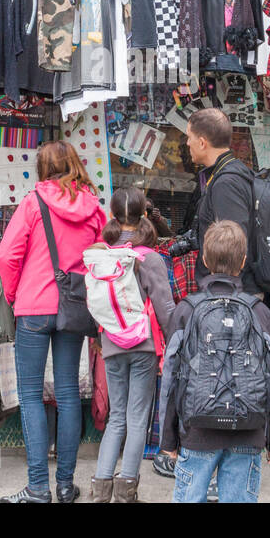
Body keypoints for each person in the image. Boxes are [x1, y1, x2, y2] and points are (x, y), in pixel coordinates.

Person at [0, 140, 106, 503]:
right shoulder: (92, 207)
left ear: (43, 168)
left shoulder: (33, 202)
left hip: (33, 306)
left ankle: (38, 487)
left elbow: (7, 254)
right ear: (74, 164)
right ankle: (65, 485)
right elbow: (104, 256)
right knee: (69, 394)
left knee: (30, 396)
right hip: (74, 307)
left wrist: (14, 295)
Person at [161, 221, 270, 503]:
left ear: (204, 260)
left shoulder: (186, 310)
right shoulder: (260, 312)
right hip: (248, 430)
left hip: (197, 431)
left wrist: (168, 438)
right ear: (243, 262)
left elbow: (170, 377)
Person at [89, 187, 177, 503]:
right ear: (143, 214)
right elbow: (165, 308)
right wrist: (174, 340)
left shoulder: (100, 255)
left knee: (116, 417)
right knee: (137, 419)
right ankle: (127, 490)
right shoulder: (149, 257)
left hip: (111, 343)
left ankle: (100, 489)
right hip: (142, 346)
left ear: (113, 214)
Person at [185, 108, 256, 293]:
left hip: (230, 297)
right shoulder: (225, 174)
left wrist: (226, 298)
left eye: (189, 137)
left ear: (201, 143)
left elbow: (234, 245)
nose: (187, 143)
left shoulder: (226, 184)